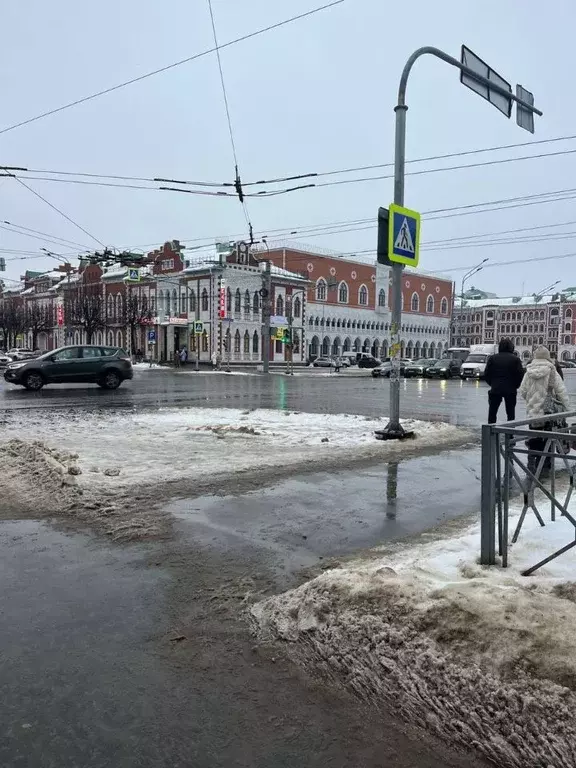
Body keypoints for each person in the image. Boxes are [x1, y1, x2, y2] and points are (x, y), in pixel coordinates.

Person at [520, 346, 570, 469]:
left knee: (534, 436)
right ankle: (545, 466)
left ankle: (532, 460)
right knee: (548, 439)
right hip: (549, 413)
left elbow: (523, 391)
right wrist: (568, 410)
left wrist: (531, 400)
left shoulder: (528, 371)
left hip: (533, 411)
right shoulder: (552, 370)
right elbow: (561, 392)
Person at [484, 338, 525, 424]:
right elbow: (520, 375)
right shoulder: (516, 359)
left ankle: (491, 433)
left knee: (492, 412)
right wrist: (515, 385)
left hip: (495, 389)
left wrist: (492, 384)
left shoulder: (493, 358)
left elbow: (487, 374)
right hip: (510, 390)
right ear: (511, 347)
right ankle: (510, 434)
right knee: (510, 413)